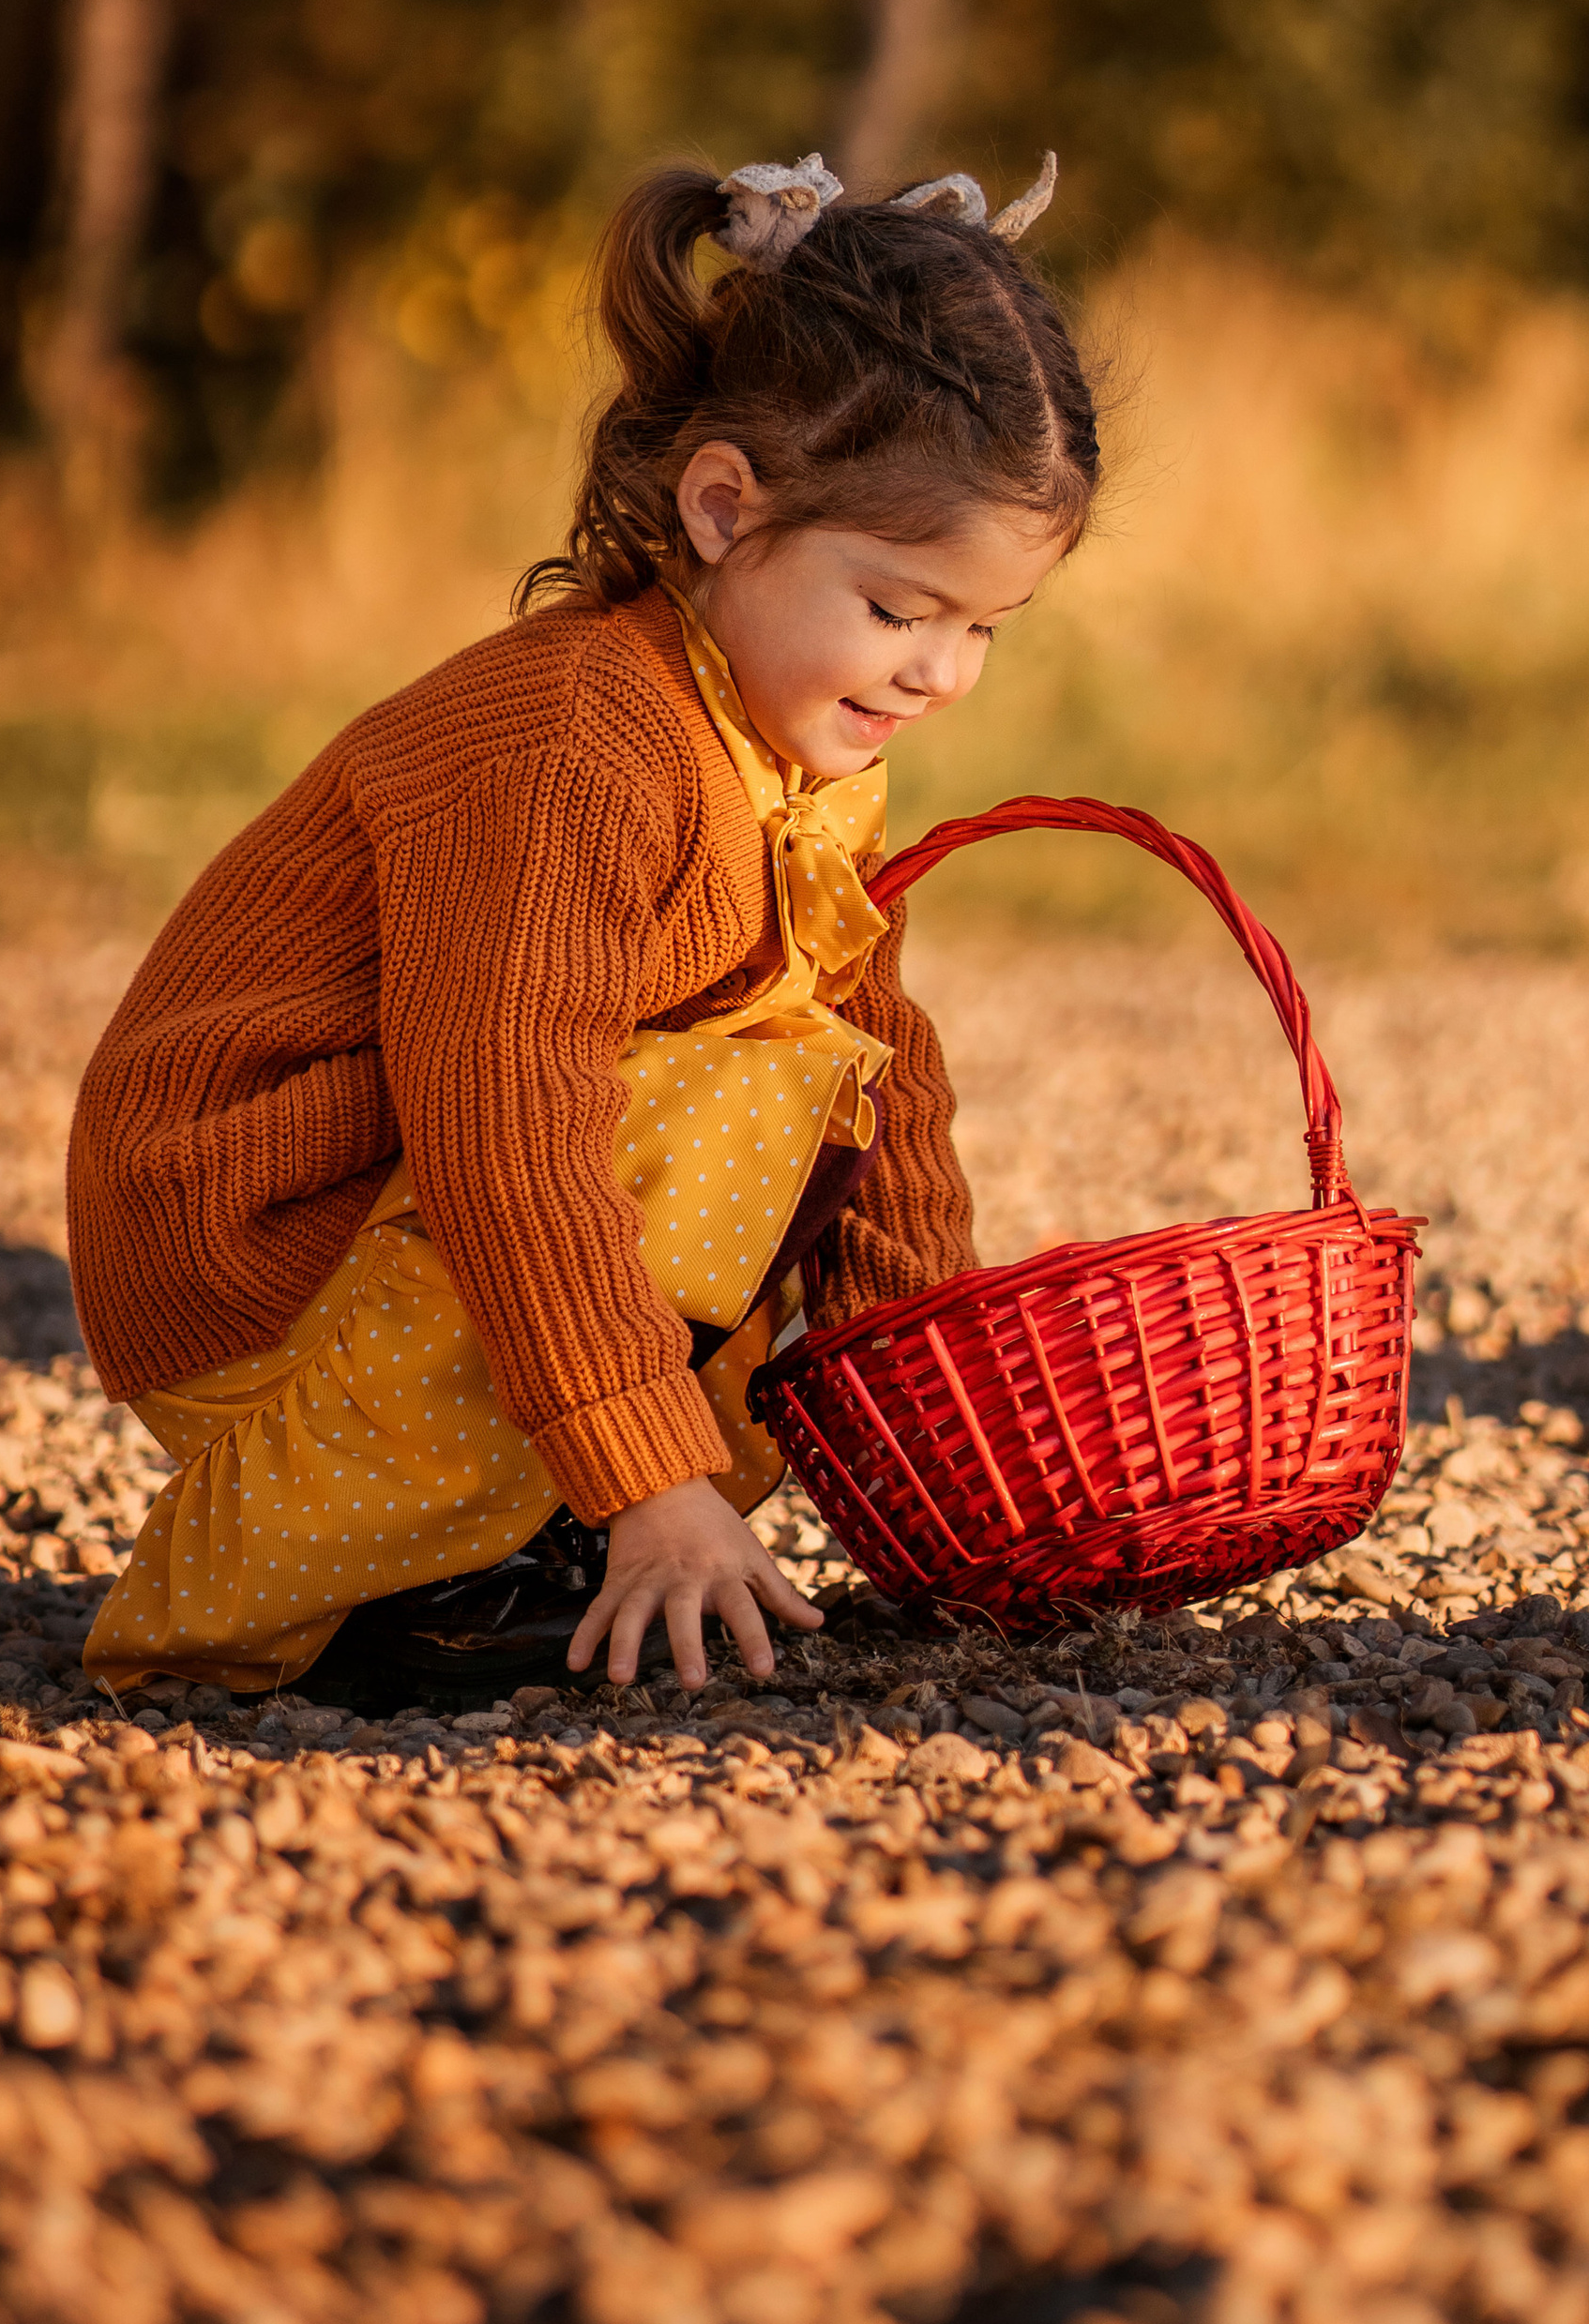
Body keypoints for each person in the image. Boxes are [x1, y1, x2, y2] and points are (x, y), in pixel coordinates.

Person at [66, 148, 1102, 1715]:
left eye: (984, 631)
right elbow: (503, 1117)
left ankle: (512, 1531)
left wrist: (931, 1432)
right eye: (898, 610)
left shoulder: (788, 745)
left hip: (409, 1224)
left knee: (802, 1067)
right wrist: (646, 1476)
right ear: (721, 506)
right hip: (259, 1245)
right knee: (734, 1092)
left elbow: (884, 1074)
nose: (939, 675)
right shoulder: (578, 745)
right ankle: (405, 1574)